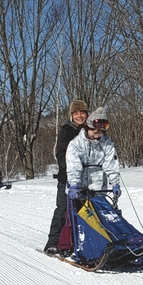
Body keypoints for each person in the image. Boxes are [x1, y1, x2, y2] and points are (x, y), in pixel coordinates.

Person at [44, 100, 88, 255]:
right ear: (71, 116)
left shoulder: (91, 131)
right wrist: (74, 167)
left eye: (82, 112)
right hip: (67, 179)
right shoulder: (66, 131)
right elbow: (61, 155)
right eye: (76, 113)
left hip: (87, 180)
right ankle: (53, 242)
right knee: (63, 209)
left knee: (86, 210)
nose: (79, 116)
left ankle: (83, 242)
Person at [65, 106, 121, 201]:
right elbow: (73, 166)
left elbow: (111, 165)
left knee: (103, 215)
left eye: (102, 131)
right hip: (80, 191)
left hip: (100, 191)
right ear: (88, 127)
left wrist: (115, 184)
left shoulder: (107, 144)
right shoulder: (75, 144)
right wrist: (74, 185)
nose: (99, 133)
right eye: (96, 131)